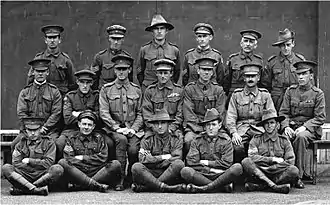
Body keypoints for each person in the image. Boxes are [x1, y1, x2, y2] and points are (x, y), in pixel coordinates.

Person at [99, 54, 143, 190]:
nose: (121, 72)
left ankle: (132, 177)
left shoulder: (136, 90)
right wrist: (116, 128)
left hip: (132, 129)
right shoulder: (106, 89)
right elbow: (104, 112)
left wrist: (134, 129)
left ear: (129, 70)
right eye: (118, 69)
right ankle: (119, 179)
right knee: (121, 141)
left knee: (134, 149)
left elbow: (141, 113)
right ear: (114, 70)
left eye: (124, 69)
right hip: (113, 129)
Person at [279, 60, 326, 189]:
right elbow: (283, 112)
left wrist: (305, 127)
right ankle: (283, 174)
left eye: (304, 74)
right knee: (283, 137)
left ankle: (297, 176)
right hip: (292, 126)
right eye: (298, 74)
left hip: (310, 130)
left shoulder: (318, 94)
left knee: (301, 137)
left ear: (311, 75)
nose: (300, 77)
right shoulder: (290, 91)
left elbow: (320, 117)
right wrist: (286, 126)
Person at [56, 69, 115, 162]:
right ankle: (62, 170)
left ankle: (106, 169)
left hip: (94, 129)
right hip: (73, 129)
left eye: (88, 82)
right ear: (77, 82)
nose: (84, 85)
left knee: (109, 143)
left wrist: (78, 114)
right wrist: (90, 114)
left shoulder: (96, 96)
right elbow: (67, 119)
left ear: (92, 83)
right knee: (60, 143)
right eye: (82, 82)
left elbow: (99, 117)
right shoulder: (70, 96)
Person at [181, 108, 243, 193]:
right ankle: (219, 187)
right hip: (203, 174)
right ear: (204, 126)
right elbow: (191, 162)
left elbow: (226, 163)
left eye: (213, 124)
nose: (210, 128)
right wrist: (211, 170)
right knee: (186, 171)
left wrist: (206, 163)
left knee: (237, 168)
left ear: (219, 125)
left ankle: (205, 187)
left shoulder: (226, 140)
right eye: (208, 125)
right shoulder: (197, 140)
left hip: (221, 174)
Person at [58, 111, 121, 193]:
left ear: (93, 126)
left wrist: (83, 158)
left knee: (115, 164)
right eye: (84, 124)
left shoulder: (99, 138)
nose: (86, 127)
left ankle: (81, 185)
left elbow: (103, 158)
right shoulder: (72, 138)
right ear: (79, 124)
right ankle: (94, 184)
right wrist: (92, 160)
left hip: (96, 171)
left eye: (89, 125)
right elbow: (69, 158)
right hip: (78, 172)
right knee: (62, 162)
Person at [226, 63, 276, 163]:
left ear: (258, 78)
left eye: (253, 76)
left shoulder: (265, 95)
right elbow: (231, 116)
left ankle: (258, 173)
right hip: (241, 129)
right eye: (247, 76)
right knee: (237, 147)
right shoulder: (236, 95)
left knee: (264, 147)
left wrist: (269, 132)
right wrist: (234, 133)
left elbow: (272, 116)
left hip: (260, 128)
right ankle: (240, 173)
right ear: (243, 78)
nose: (250, 79)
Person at [241, 109, 299, 194]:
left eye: (272, 123)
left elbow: (290, 160)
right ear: (263, 126)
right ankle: (274, 186)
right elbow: (252, 157)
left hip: (277, 172)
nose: (269, 126)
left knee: (294, 170)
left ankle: (261, 186)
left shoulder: (284, 140)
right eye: (266, 123)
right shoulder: (256, 139)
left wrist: (274, 168)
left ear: (277, 125)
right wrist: (271, 160)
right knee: (246, 161)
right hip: (261, 170)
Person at [2, 117, 64, 196]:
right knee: (6, 168)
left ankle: (25, 188)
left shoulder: (49, 143)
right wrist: (37, 165)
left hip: (41, 174)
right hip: (25, 174)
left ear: (41, 129)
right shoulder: (20, 144)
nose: (33, 133)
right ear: (26, 131)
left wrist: (30, 161)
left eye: (35, 130)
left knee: (58, 169)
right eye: (30, 130)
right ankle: (36, 190)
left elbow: (49, 163)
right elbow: (16, 163)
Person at [131, 109, 186, 193]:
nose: (160, 126)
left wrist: (153, 159)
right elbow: (142, 159)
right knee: (136, 167)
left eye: (163, 123)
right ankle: (164, 187)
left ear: (168, 124)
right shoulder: (147, 139)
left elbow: (177, 157)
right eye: (157, 123)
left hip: (168, 172)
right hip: (151, 172)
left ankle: (149, 187)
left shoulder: (175, 138)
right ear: (153, 125)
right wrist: (164, 157)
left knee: (179, 164)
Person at [13, 59, 62, 151]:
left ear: (47, 72)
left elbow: (56, 113)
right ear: (33, 72)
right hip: (28, 131)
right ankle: (17, 165)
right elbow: (21, 113)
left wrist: (45, 127)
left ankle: (52, 165)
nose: (40, 74)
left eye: (43, 71)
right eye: (38, 71)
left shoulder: (54, 92)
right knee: (15, 144)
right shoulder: (25, 92)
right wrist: (33, 129)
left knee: (56, 145)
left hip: (49, 131)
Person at [183, 57, 226, 157]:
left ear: (212, 72)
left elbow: (220, 112)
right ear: (198, 71)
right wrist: (201, 128)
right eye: (203, 69)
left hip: (214, 126)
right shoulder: (190, 89)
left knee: (226, 141)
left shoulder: (218, 90)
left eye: (209, 70)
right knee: (188, 140)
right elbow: (188, 113)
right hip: (195, 127)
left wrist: (210, 128)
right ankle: (190, 167)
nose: (206, 72)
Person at [261, 28, 305, 111]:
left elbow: (306, 83)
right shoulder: (272, 62)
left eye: (288, 45)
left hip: (295, 98)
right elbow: (265, 84)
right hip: (277, 100)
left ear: (293, 44)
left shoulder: (300, 61)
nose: (285, 48)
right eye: (282, 45)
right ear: (279, 46)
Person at [136, 14, 181, 92]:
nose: (159, 31)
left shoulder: (174, 50)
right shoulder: (144, 49)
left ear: (166, 31)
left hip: (169, 89)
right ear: (152, 31)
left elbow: (177, 71)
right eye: (156, 29)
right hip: (149, 89)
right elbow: (140, 72)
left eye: (162, 28)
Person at [27, 25, 75, 96]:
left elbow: (73, 83)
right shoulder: (39, 58)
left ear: (59, 40)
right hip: (42, 97)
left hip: (61, 97)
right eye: (49, 38)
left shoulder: (65, 60)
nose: (52, 40)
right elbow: (30, 81)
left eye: (55, 37)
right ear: (45, 40)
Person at [142, 59, 183, 138]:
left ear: (171, 74)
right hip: (154, 128)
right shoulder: (150, 91)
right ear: (156, 74)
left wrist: (171, 128)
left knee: (180, 140)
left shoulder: (179, 91)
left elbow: (180, 114)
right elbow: (147, 113)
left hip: (173, 128)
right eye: (160, 73)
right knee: (145, 142)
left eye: (165, 73)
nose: (163, 76)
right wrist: (156, 128)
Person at [223, 29, 263, 106]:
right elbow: (226, 82)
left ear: (255, 45)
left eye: (251, 42)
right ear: (241, 43)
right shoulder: (233, 59)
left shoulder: (259, 61)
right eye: (246, 41)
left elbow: (261, 82)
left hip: (253, 97)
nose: (248, 44)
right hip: (234, 96)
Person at [91, 25, 132, 90]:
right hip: (104, 92)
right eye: (113, 38)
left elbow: (130, 80)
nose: (116, 42)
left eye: (118, 39)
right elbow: (94, 79)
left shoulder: (127, 58)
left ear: (123, 40)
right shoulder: (100, 57)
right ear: (109, 39)